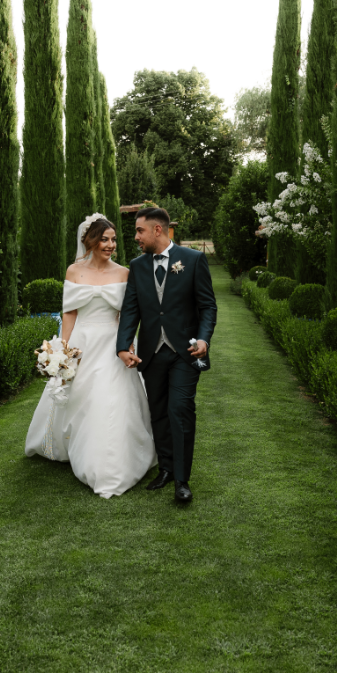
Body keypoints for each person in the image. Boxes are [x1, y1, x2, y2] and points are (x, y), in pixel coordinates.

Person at [24, 213, 157, 497]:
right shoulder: (74, 271)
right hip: (83, 344)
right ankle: (78, 449)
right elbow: (69, 313)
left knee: (109, 399)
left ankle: (111, 466)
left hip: (113, 344)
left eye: (113, 240)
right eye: (104, 240)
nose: (110, 245)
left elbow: (127, 315)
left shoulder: (123, 273)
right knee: (81, 398)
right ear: (90, 241)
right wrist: (61, 350)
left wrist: (127, 344)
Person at [115, 205, 216, 503]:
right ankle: (166, 469)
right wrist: (123, 345)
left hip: (185, 351)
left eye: (139, 230)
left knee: (180, 410)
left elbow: (208, 306)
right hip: (151, 353)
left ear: (158, 229)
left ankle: (182, 481)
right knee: (158, 412)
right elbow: (131, 309)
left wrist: (204, 338)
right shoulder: (138, 265)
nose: (136, 237)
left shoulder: (194, 259)